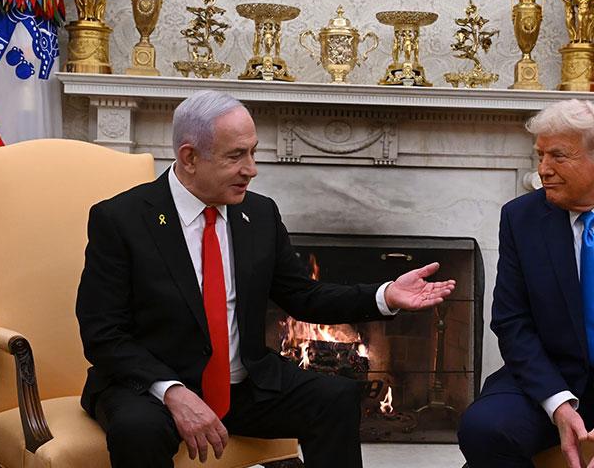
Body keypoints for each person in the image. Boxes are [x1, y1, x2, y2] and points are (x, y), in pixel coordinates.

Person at [76, 90, 456, 468]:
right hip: (151, 389)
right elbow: (103, 333)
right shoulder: (121, 219)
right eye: (236, 155)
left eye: (253, 152)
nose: (252, 169)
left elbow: (303, 295)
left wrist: (385, 295)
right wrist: (172, 391)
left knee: (335, 397)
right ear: (190, 157)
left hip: (245, 386)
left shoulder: (259, 214)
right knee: (137, 430)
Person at [458, 99, 594, 468]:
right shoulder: (522, 218)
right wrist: (558, 402)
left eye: (558, 156)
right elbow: (511, 321)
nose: (543, 170)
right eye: (540, 156)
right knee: (485, 429)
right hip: (549, 378)